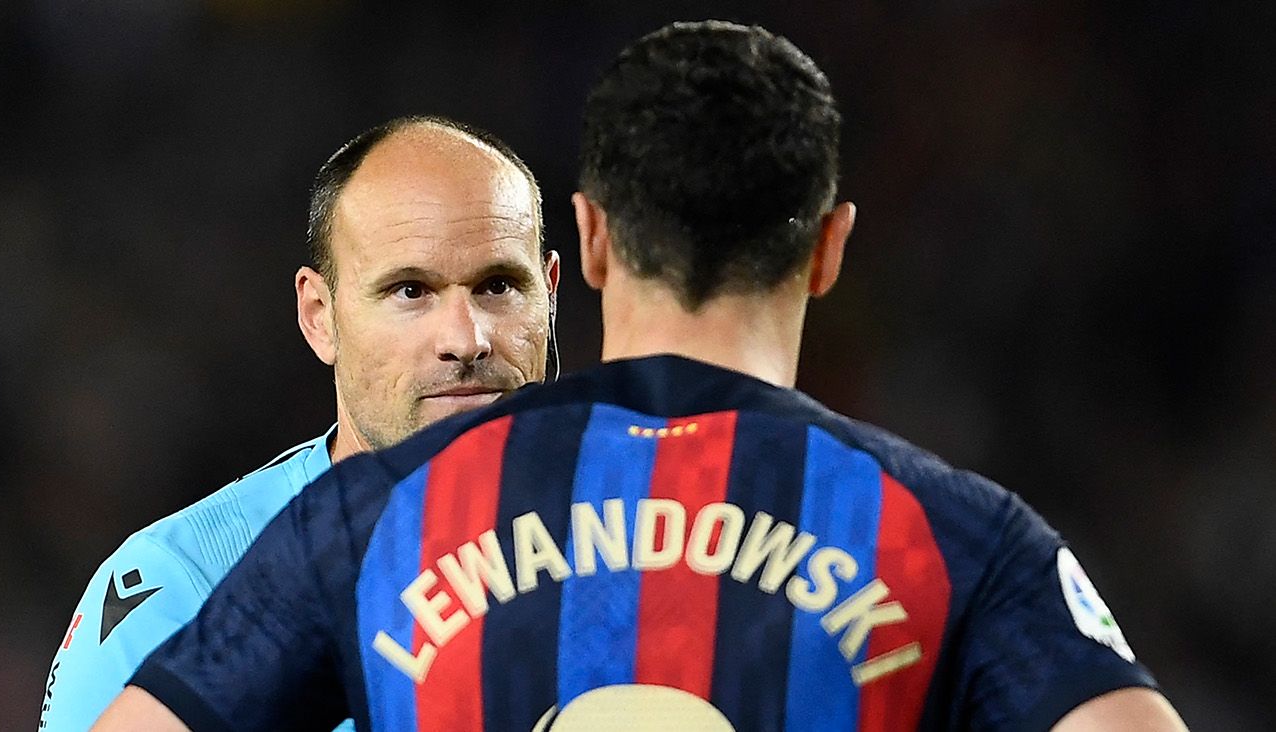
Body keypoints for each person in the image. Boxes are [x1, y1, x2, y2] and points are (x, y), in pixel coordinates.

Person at [94, 21, 1187, 731]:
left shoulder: (377, 518)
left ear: (590, 244)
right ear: (830, 248)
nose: (464, 336)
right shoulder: (951, 531)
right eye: (412, 292)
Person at [39, 115, 559, 731]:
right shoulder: (184, 584)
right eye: (410, 291)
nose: (465, 339)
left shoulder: (648, 538)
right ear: (320, 316)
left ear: (550, 294)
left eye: (499, 286)